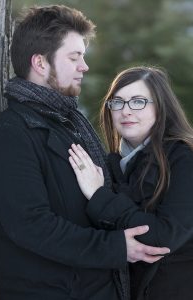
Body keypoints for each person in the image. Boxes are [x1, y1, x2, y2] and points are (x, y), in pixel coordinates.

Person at [0, 6, 169, 300]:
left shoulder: (69, 123)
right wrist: (115, 247)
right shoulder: (12, 133)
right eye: (74, 57)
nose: (84, 66)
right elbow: (30, 226)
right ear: (40, 62)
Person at [69, 66, 193, 300]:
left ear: (161, 106)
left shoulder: (184, 157)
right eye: (117, 102)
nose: (125, 111)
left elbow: (162, 238)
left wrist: (99, 195)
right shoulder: (114, 165)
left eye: (138, 102)